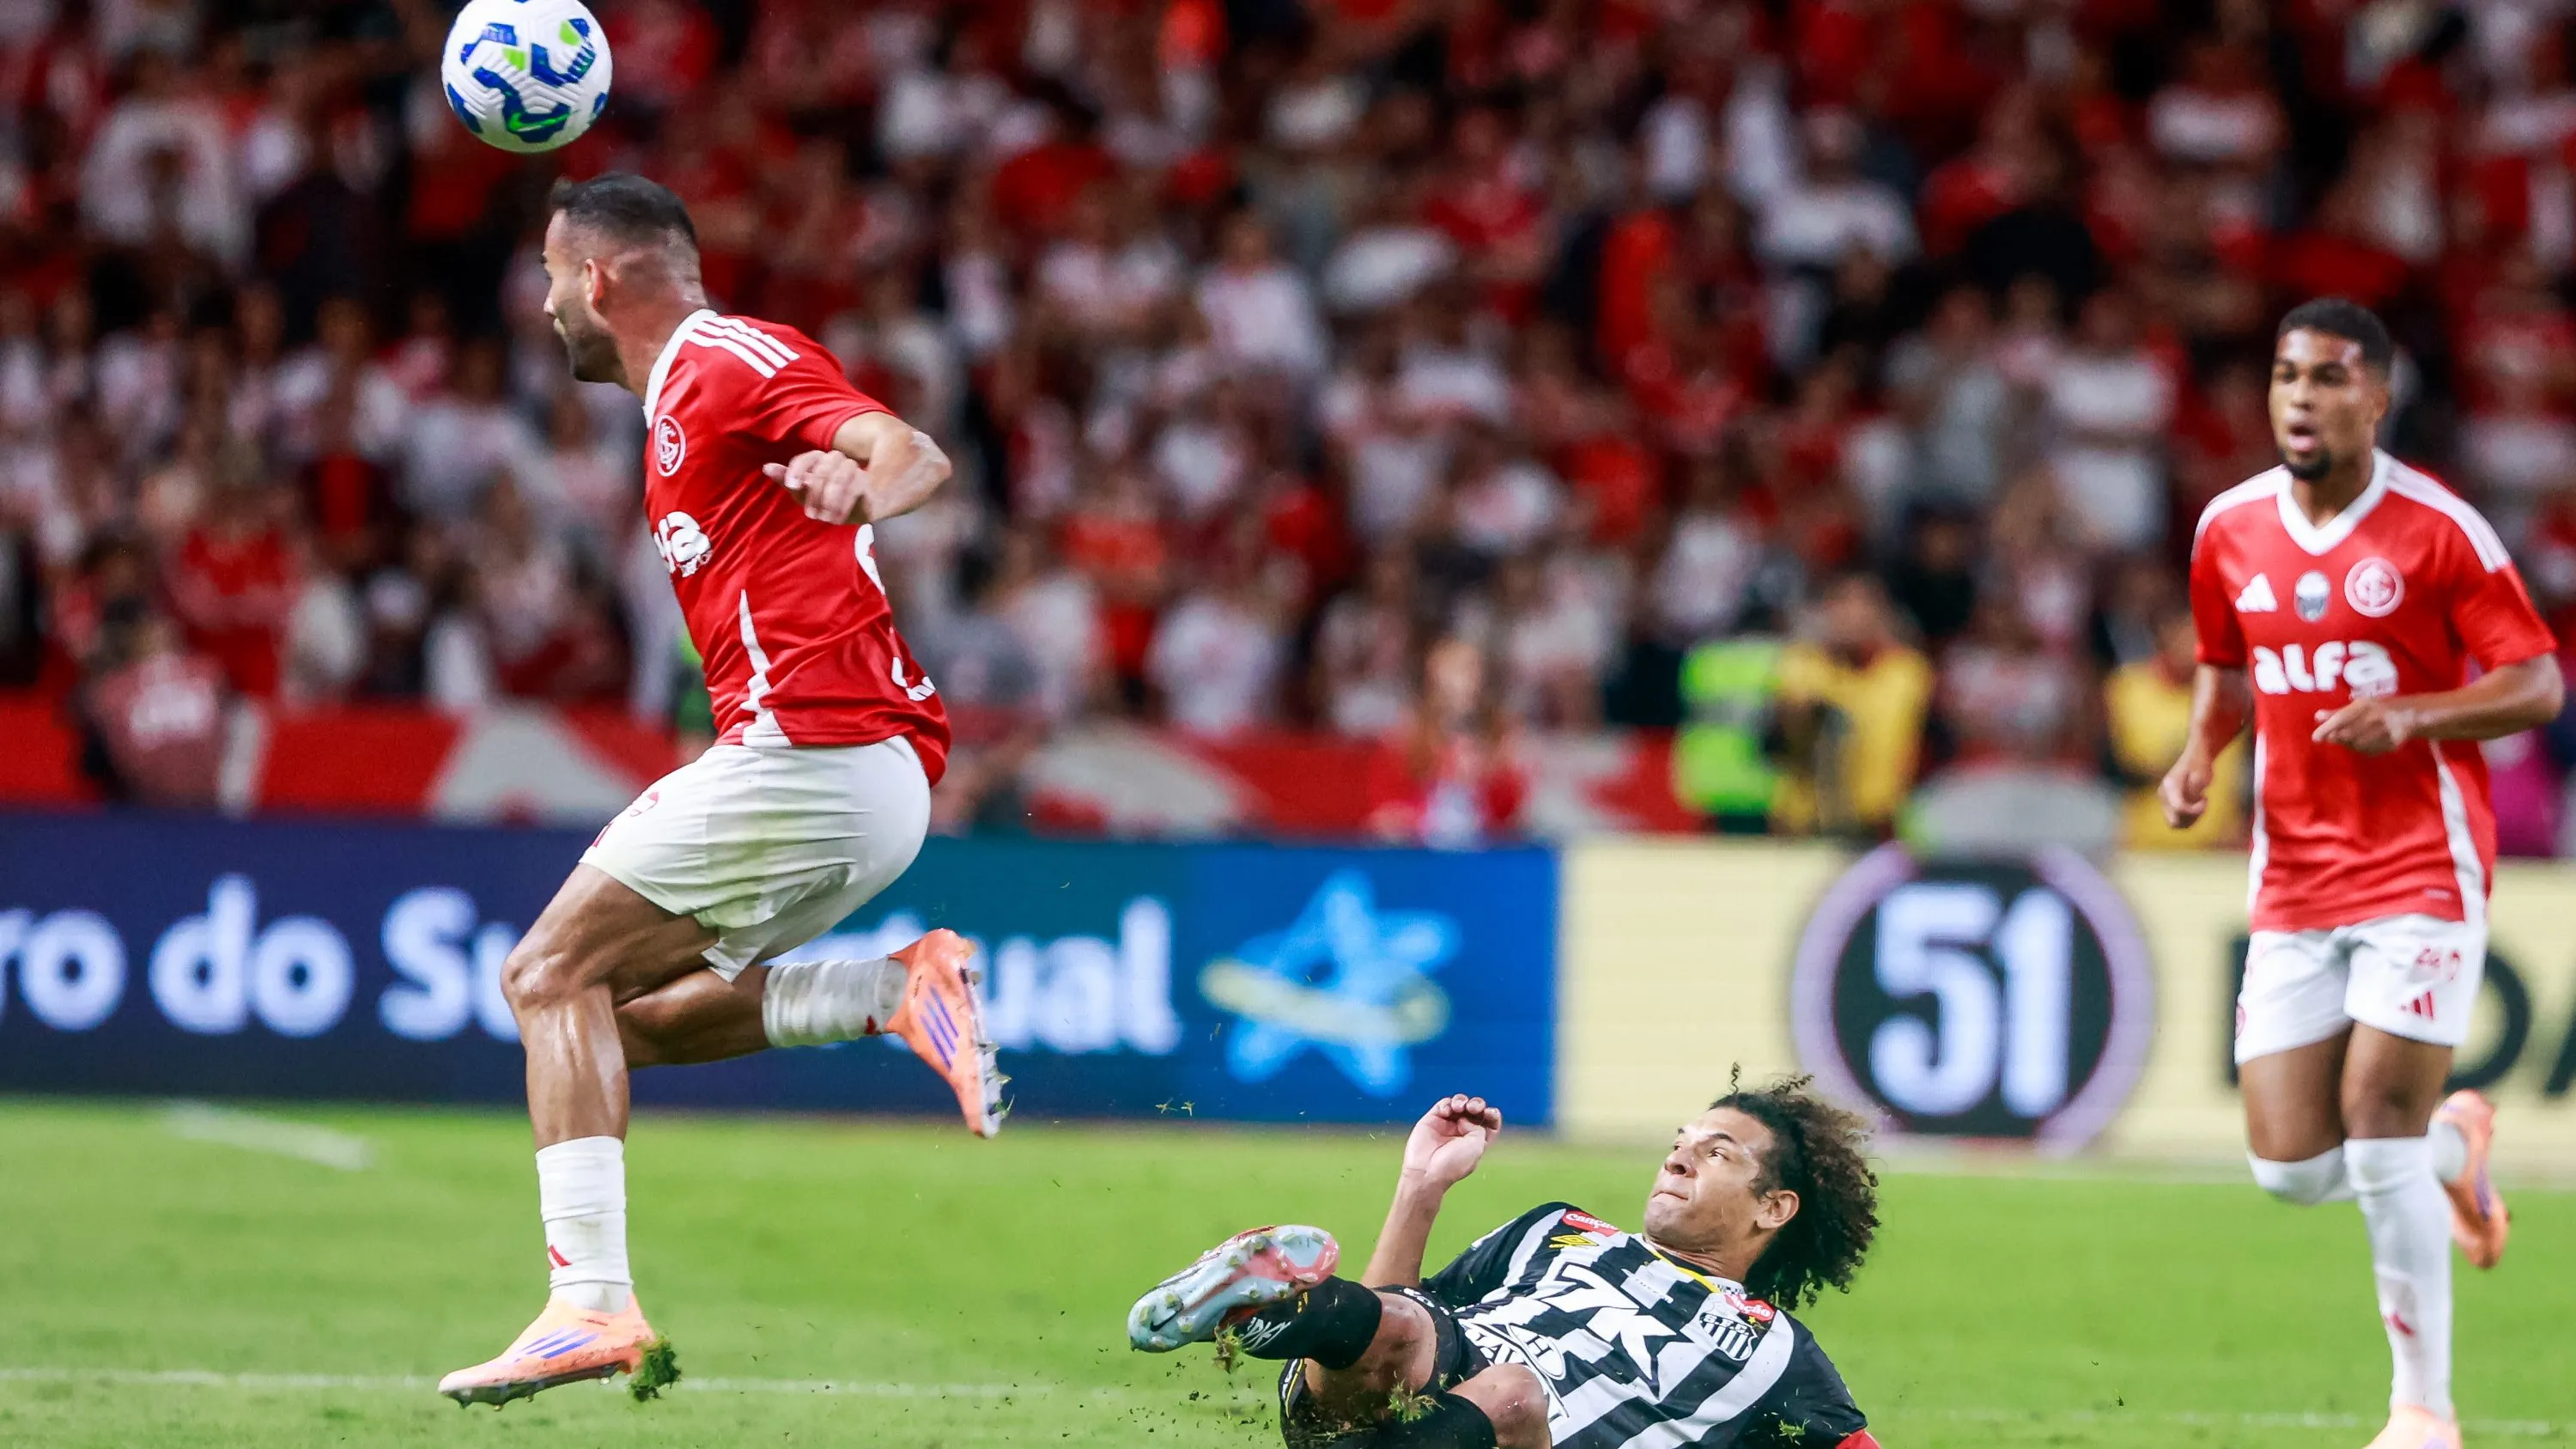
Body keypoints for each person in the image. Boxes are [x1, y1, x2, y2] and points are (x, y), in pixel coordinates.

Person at [436, 174, 1005, 1408]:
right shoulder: (675, 408)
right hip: (852, 775)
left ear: (598, 279)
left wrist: (865, 485)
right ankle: (890, 991)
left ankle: (590, 1304)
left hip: (816, 749)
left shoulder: (725, 358)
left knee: (544, 976)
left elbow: (911, 449)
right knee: (615, 1023)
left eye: (550, 278)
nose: (544, 305)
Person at [2162, 297, 2564, 1449]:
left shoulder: (2439, 530)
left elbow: (2537, 681)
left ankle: (2422, 1409)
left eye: (2329, 377)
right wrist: (2199, 754)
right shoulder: (2229, 526)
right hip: (2292, 874)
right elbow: (2226, 665)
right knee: (2290, 1169)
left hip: (2420, 863)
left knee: (2378, 1129)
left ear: (2377, 398)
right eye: (2287, 375)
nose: (2301, 396)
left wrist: (2417, 713)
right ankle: (2455, 1150)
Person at [1127, 1081, 1881, 1449]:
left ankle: (1268, 1307)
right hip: (1373, 1410)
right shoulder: (1559, 1228)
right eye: (1680, 1141)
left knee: (1514, 1394)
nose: (1678, 1157)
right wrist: (1422, 1186)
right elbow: (1396, 1314)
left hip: (1513, 1425)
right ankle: (1262, 1311)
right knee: (1402, 1323)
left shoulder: (1774, 1348)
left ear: (1774, 1207)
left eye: (1716, 1153)